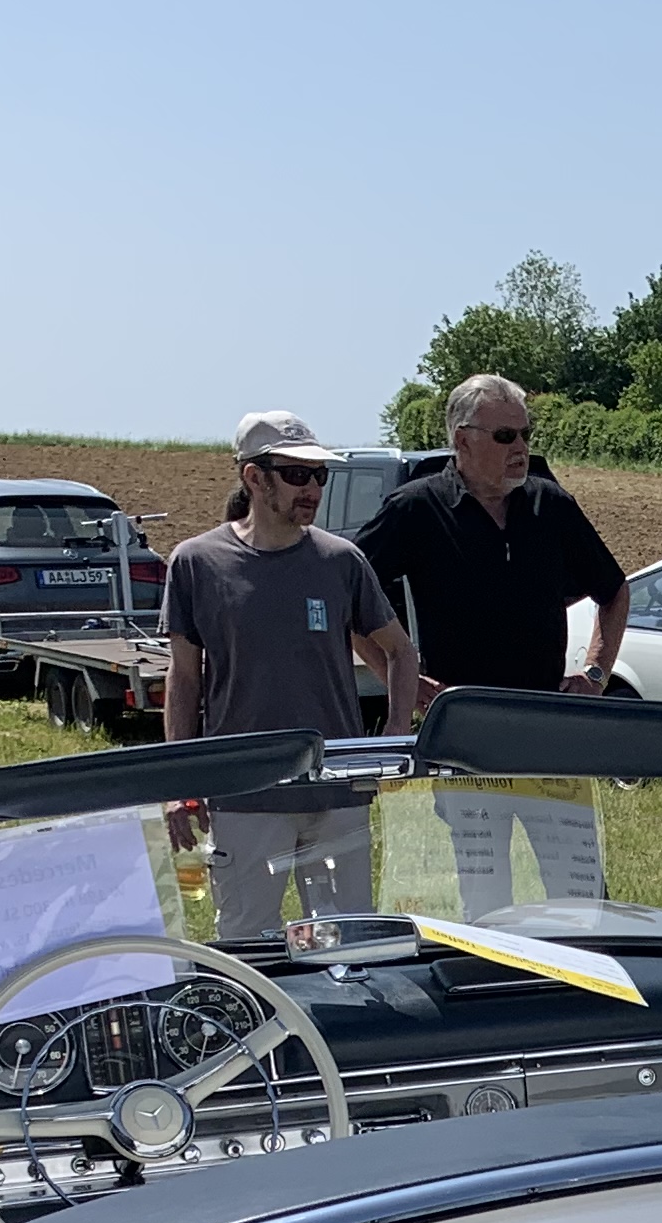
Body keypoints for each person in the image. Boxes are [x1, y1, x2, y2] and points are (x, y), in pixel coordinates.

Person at [162, 411, 423, 939]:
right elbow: (184, 680)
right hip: (243, 795)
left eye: (319, 476)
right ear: (254, 478)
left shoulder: (341, 561)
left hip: (336, 794)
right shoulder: (196, 563)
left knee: (345, 944)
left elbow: (400, 651)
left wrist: (392, 737)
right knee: (246, 942)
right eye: (297, 475)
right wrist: (178, 784)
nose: (313, 490)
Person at [355, 376, 627, 694]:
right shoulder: (416, 508)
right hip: (459, 711)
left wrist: (595, 674)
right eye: (505, 436)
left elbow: (615, 591)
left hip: (543, 707)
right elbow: (348, 597)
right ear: (463, 440)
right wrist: (403, 681)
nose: (520, 447)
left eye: (525, 434)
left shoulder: (551, 504)